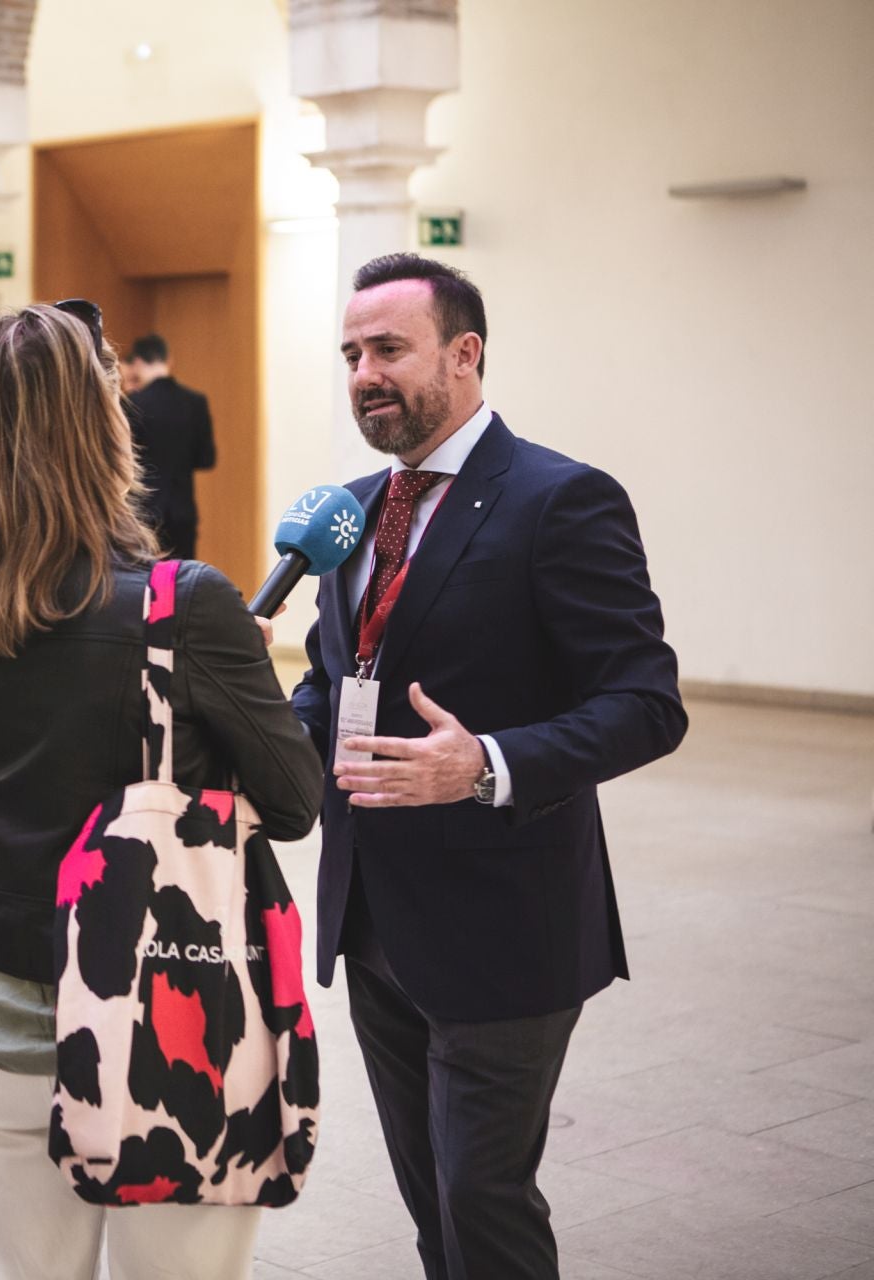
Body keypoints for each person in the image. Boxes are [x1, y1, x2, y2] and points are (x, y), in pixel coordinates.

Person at [292, 253, 687, 1279]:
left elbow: (646, 703)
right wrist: (262, 733)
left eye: (389, 348)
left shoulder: (559, 499)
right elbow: (334, 678)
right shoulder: (351, 511)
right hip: (371, 914)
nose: (365, 374)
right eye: (351, 354)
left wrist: (487, 763)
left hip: (504, 919)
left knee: (484, 1198)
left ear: (464, 353)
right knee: (432, 1199)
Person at [0, 300, 323, 1279]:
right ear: (105, 423)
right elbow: (294, 800)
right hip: (162, 1008)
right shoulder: (188, 605)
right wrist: (241, 682)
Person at [124, 333, 216, 558]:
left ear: (137, 363)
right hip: (183, 510)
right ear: (169, 360)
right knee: (183, 575)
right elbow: (207, 459)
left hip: (145, 511)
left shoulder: (134, 404)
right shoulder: (195, 402)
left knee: (148, 574)